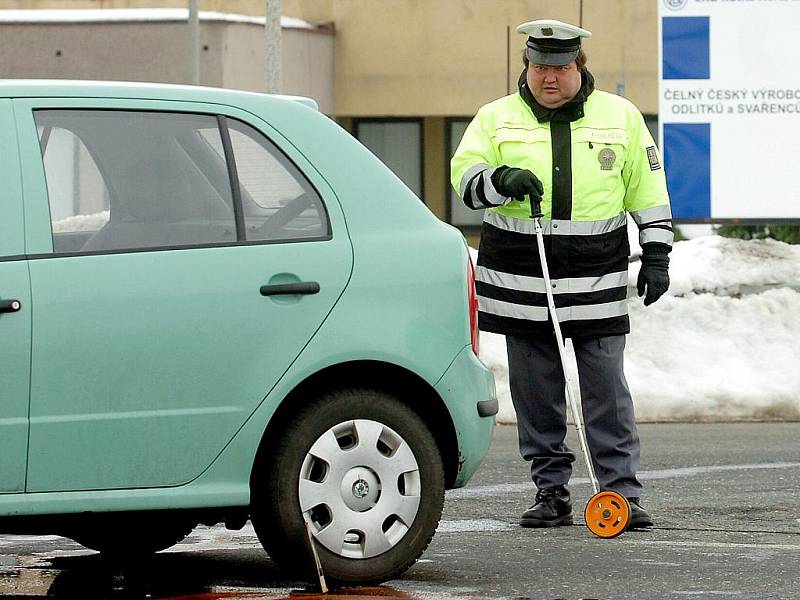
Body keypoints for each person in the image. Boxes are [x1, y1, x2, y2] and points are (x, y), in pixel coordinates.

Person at [450, 19, 673, 529]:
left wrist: (657, 254)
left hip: (597, 278)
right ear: (526, 67)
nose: (548, 77)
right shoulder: (494, 118)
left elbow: (649, 194)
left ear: (578, 66)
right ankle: (550, 490)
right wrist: (497, 180)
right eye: (538, 66)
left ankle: (620, 492)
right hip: (522, 280)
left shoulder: (621, 117)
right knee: (536, 393)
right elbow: (463, 178)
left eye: (560, 67)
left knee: (605, 390)